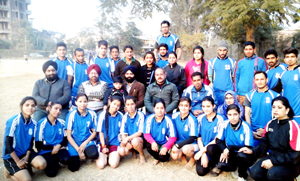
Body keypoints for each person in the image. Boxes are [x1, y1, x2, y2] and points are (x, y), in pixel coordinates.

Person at [239, 96, 300, 181]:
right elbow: (264, 145)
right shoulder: (270, 124)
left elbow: (294, 155)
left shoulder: (293, 126)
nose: (275, 110)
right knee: (255, 172)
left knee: (272, 174)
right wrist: (252, 151)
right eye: (274, 107)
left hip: (291, 163)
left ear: (287, 110)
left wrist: (273, 162)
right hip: (273, 156)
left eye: (279, 107)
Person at [2, 97, 47, 181]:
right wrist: (17, 161)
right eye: (27, 105)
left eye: (33, 106)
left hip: (25, 153)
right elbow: (7, 143)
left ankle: (25, 166)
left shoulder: (34, 123)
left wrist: (27, 156)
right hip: (12, 155)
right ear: (21, 106)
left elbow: (31, 142)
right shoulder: (13, 121)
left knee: (42, 164)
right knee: (27, 180)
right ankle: (10, 172)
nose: (30, 108)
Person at [214, 104, 254, 181]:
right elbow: (218, 140)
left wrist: (230, 147)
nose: (232, 117)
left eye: (235, 114)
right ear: (227, 115)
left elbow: (248, 147)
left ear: (239, 114)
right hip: (230, 153)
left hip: (241, 153)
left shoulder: (246, 126)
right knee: (212, 149)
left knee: (242, 156)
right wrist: (224, 150)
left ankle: (242, 174)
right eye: (230, 115)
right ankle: (233, 167)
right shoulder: (224, 124)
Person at [65, 93, 99, 172]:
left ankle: (86, 154)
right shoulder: (71, 115)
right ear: (76, 102)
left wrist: (84, 143)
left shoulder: (92, 113)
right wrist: (78, 150)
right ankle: (79, 155)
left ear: (87, 102)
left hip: (87, 140)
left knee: (94, 155)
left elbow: (94, 132)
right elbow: (68, 136)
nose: (83, 104)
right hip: (75, 141)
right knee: (73, 168)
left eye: (85, 101)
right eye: (80, 101)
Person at [35, 102, 70, 177]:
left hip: (59, 148)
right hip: (46, 150)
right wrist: (52, 148)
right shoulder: (41, 124)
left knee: (67, 160)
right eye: (56, 108)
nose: (58, 111)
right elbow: (38, 145)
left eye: (60, 110)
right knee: (51, 173)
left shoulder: (62, 122)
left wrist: (58, 146)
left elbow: (66, 139)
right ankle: (52, 160)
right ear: (49, 108)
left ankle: (56, 159)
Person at [244, 71, 279, 146]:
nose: (259, 82)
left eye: (262, 79)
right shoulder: (249, 96)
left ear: (267, 80)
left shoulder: (275, 96)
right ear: (254, 81)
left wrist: (267, 130)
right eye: (257, 79)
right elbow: (247, 114)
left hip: (270, 132)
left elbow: (278, 116)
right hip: (254, 132)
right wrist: (250, 131)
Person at [194, 96, 225, 176]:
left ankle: (218, 165)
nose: (205, 109)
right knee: (200, 172)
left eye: (208, 106)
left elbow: (218, 139)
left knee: (210, 148)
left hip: (215, 148)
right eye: (203, 106)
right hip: (204, 148)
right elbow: (199, 137)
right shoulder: (200, 118)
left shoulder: (220, 119)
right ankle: (209, 162)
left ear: (213, 106)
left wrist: (201, 151)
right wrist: (203, 154)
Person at [144, 99, 177, 165]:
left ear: (164, 109)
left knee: (163, 158)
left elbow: (173, 137)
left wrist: (166, 147)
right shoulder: (149, 119)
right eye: (157, 108)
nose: (159, 110)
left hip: (165, 143)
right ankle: (156, 157)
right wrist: (153, 142)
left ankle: (161, 156)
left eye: (161, 108)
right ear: (154, 109)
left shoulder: (168, 120)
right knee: (147, 144)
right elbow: (146, 134)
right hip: (155, 143)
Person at [234, 41, 268, 105]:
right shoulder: (240, 62)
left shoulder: (261, 61)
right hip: (242, 95)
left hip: (256, 93)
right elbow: (236, 77)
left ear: (254, 49)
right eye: (246, 49)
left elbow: (265, 77)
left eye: (250, 49)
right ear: (244, 50)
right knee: (243, 114)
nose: (248, 51)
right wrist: (236, 93)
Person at [273, 47, 300, 124]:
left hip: (298, 113)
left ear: (296, 58)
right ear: (284, 59)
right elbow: (276, 89)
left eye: (292, 57)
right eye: (287, 57)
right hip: (286, 112)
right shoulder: (283, 74)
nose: (290, 59)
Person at [96, 96, 123, 169]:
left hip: (115, 142)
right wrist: (104, 146)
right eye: (114, 104)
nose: (115, 106)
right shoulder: (102, 115)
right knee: (101, 165)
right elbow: (100, 132)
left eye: (118, 105)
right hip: (103, 143)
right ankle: (105, 155)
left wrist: (122, 143)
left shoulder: (120, 115)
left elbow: (122, 131)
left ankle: (112, 155)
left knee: (113, 165)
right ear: (110, 102)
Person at [171, 97, 198, 169]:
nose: (183, 108)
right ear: (178, 106)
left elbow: (192, 138)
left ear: (190, 107)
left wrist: (177, 146)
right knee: (174, 156)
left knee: (186, 149)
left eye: (186, 106)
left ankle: (193, 158)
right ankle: (183, 156)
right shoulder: (174, 116)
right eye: (181, 105)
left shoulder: (192, 119)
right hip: (179, 141)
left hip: (192, 143)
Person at [119, 96, 146, 163]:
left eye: (132, 104)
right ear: (125, 106)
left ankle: (141, 154)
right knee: (121, 151)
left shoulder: (140, 115)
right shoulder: (125, 116)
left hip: (139, 139)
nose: (130, 106)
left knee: (135, 141)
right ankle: (133, 150)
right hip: (129, 139)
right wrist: (127, 142)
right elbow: (123, 132)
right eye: (128, 104)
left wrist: (127, 139)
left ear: (135, 104)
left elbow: (140, 132)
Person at [208, 41, 236, 105]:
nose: (222, 52)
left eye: (224, 50)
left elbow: (233, 77)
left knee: (229, 110)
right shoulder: (212, 62)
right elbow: (210, 77)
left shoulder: (232, 62)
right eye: (220, 50)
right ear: (217, 51)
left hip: (228, 92)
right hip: (216, 91)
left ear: (227, 51)